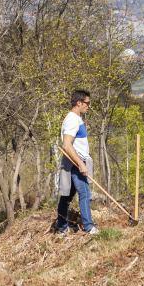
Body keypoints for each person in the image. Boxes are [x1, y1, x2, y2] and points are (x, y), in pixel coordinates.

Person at [56, 89, 99, 235]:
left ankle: (61, 227)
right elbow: (67, 145)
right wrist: (81, 164)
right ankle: (89, 227)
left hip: (76, 161)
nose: (89, 105)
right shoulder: (72, 119)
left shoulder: (76, 119)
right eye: (87, 103)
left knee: (67, 196)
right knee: (85, 193)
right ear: (79, 103)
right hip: (75, 163)